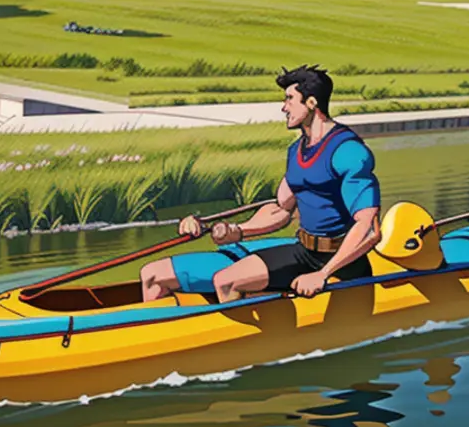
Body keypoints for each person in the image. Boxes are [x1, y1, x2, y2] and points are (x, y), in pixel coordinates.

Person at [139, 65, 382, 303]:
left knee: (226, 281)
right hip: (305, 251)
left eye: (289, 99)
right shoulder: (296, 150)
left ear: (311, 103)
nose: (283, 107)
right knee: (157, 274)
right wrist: (238, 231)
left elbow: (369, 228)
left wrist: (322, 274)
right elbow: (281, 209)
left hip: (342, 262)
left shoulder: (348, 151)